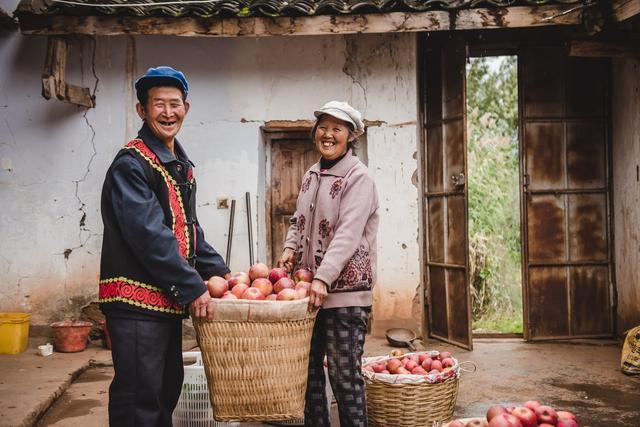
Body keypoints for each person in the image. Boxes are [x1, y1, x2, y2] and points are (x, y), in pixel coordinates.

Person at [98, 66, 230, 427]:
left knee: (164, 391)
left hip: (164, 304)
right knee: (140, 397)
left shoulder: (177, 166)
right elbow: (149, 235)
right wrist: (191, 287)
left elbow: (189, 231)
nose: (168, 113)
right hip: (136, 304)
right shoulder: (132, 163)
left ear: (186, 108)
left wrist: (222, 275)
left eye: (175, 104)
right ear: (142, 110)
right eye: (159, 104)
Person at [279, 101, 379, 427]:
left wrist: (322, 279)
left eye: (337, 128)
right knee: (308, 373)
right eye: (324, 126)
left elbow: (348, 235)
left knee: (344, 375)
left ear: (351, 136)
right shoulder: (311, 174)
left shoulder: (358, 177)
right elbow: (299, 221)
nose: (328, 134)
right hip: (310, 293)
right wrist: (289, 250)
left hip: (345, 296)